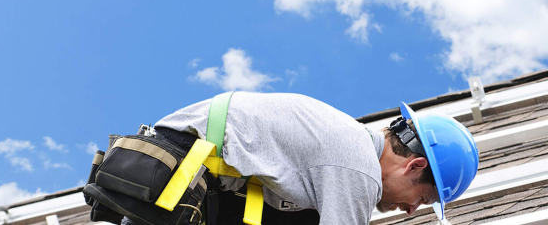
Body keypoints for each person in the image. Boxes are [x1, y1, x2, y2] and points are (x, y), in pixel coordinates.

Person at [150, 91, 479, 225]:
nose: (409, 210)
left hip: (184, 173)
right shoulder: (359, 168)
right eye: (420, 198)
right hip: (176, 177)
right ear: (415, 165)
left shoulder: (347, 140)